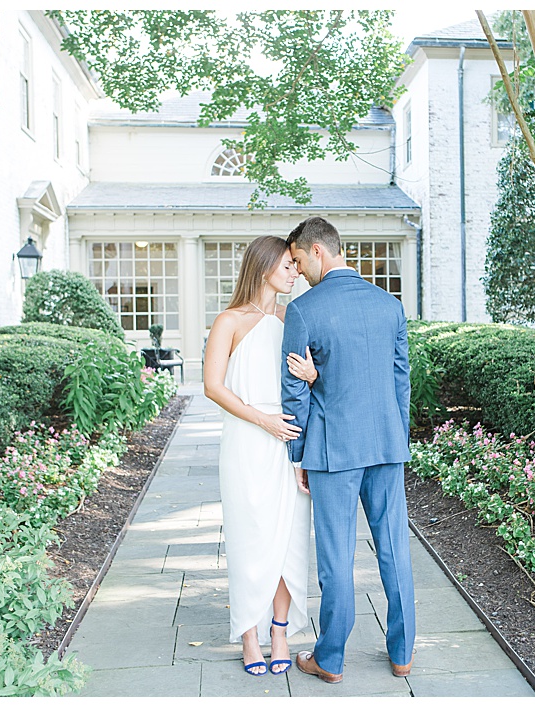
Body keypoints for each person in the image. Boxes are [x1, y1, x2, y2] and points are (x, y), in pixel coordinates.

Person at [281, 216, 416, 684]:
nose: (296, 271)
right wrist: (399, 440)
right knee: (395, 548)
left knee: (336, 555)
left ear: (318, 251)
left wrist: (298, 452)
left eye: (297, 259)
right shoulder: (389, 306)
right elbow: (401, 382)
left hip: (332, 450)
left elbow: (293, 392)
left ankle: (331, 659)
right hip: (385, 445)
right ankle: (403, 654)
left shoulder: (304, 310)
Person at [203, 235, 319, 677]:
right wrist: (263, 420)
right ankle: (249, 634)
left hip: (289, 444)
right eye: (288, 265)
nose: (295, 272)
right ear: (264, 266)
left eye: (296, 264)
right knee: (250, 536)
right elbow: (214, 387)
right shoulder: (229, 321)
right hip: (248, 440)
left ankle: (280, 632)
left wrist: (313, 374)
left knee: (290, 539)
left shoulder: (294, 318)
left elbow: (312, 380)